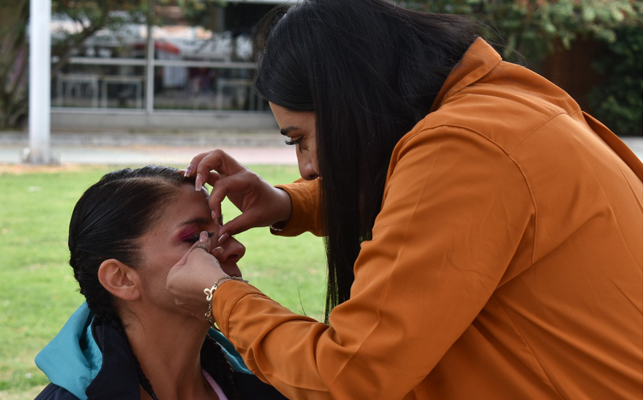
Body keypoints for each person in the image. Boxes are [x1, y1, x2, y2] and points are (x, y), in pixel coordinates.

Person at [166, 1, 643, 399]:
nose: (307, 167)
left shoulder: (465, 147)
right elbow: (437, 210)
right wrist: (292, 204)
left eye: (300, 139)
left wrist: (218, 295)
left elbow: (349, 375)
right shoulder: (500, 105)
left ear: (351, 100)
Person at [34, 166, 287, 400]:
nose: (236, 248)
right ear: (121, 279)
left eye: (221, 229)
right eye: (193, 237)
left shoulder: (273, 380)